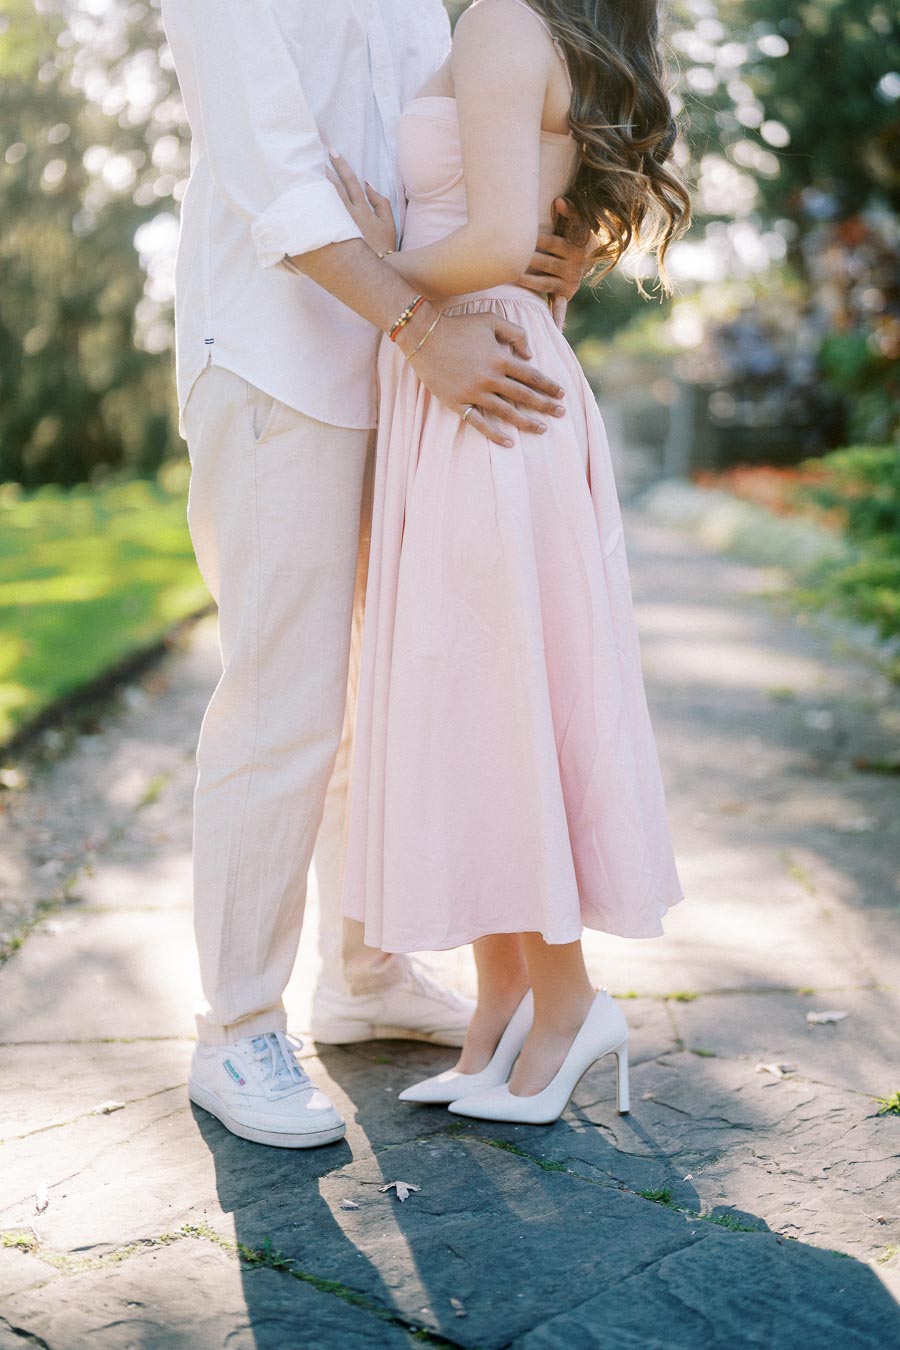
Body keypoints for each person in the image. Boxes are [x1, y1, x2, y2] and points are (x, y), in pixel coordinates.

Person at [159, 0, 591, 1150]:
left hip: (419, 371)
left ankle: (363, 973)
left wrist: (550, 222)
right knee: (285, 699)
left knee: (393, 690)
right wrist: (414, 321)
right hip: (282, 359)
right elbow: (277, 173)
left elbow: (460, 136)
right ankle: (238, 1024)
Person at [338, 0, 690, 1125]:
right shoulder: (526, 28)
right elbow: (521, 220)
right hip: (477, 366)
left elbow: (494, 241)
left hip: (481, 372)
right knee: (474, 700)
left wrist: (363, 260)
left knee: (492, 698)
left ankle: (570, 1003)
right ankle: (501, 1014)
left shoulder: (502, 21)